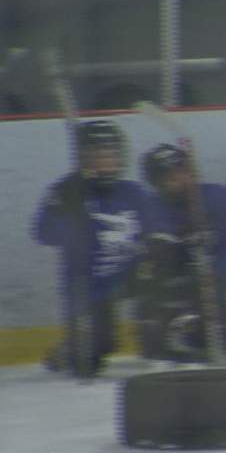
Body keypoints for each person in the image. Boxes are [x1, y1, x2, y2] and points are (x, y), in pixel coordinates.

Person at [31, 121, 149, 377]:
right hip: (87, 285)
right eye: (99, 156)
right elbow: (41, 232)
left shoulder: (132, 191)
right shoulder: (66, 191)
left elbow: (155, 225)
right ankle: (68, 352)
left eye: (111, 155)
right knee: (94, 355)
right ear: (84, 158)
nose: (107, 162)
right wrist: (70, 224)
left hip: (128, 274)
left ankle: (159, 334)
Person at [136, 144, 226, 364]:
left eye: (184, 172)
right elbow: (160, 247)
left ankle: (195, 330)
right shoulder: (152, 206)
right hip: (174, 287)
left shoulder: (217, 196)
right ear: (158, 184)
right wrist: (185, 242)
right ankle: (166, 331)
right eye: (171, 178)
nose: (182, 181)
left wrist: (216, 271)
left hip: (210, 284)